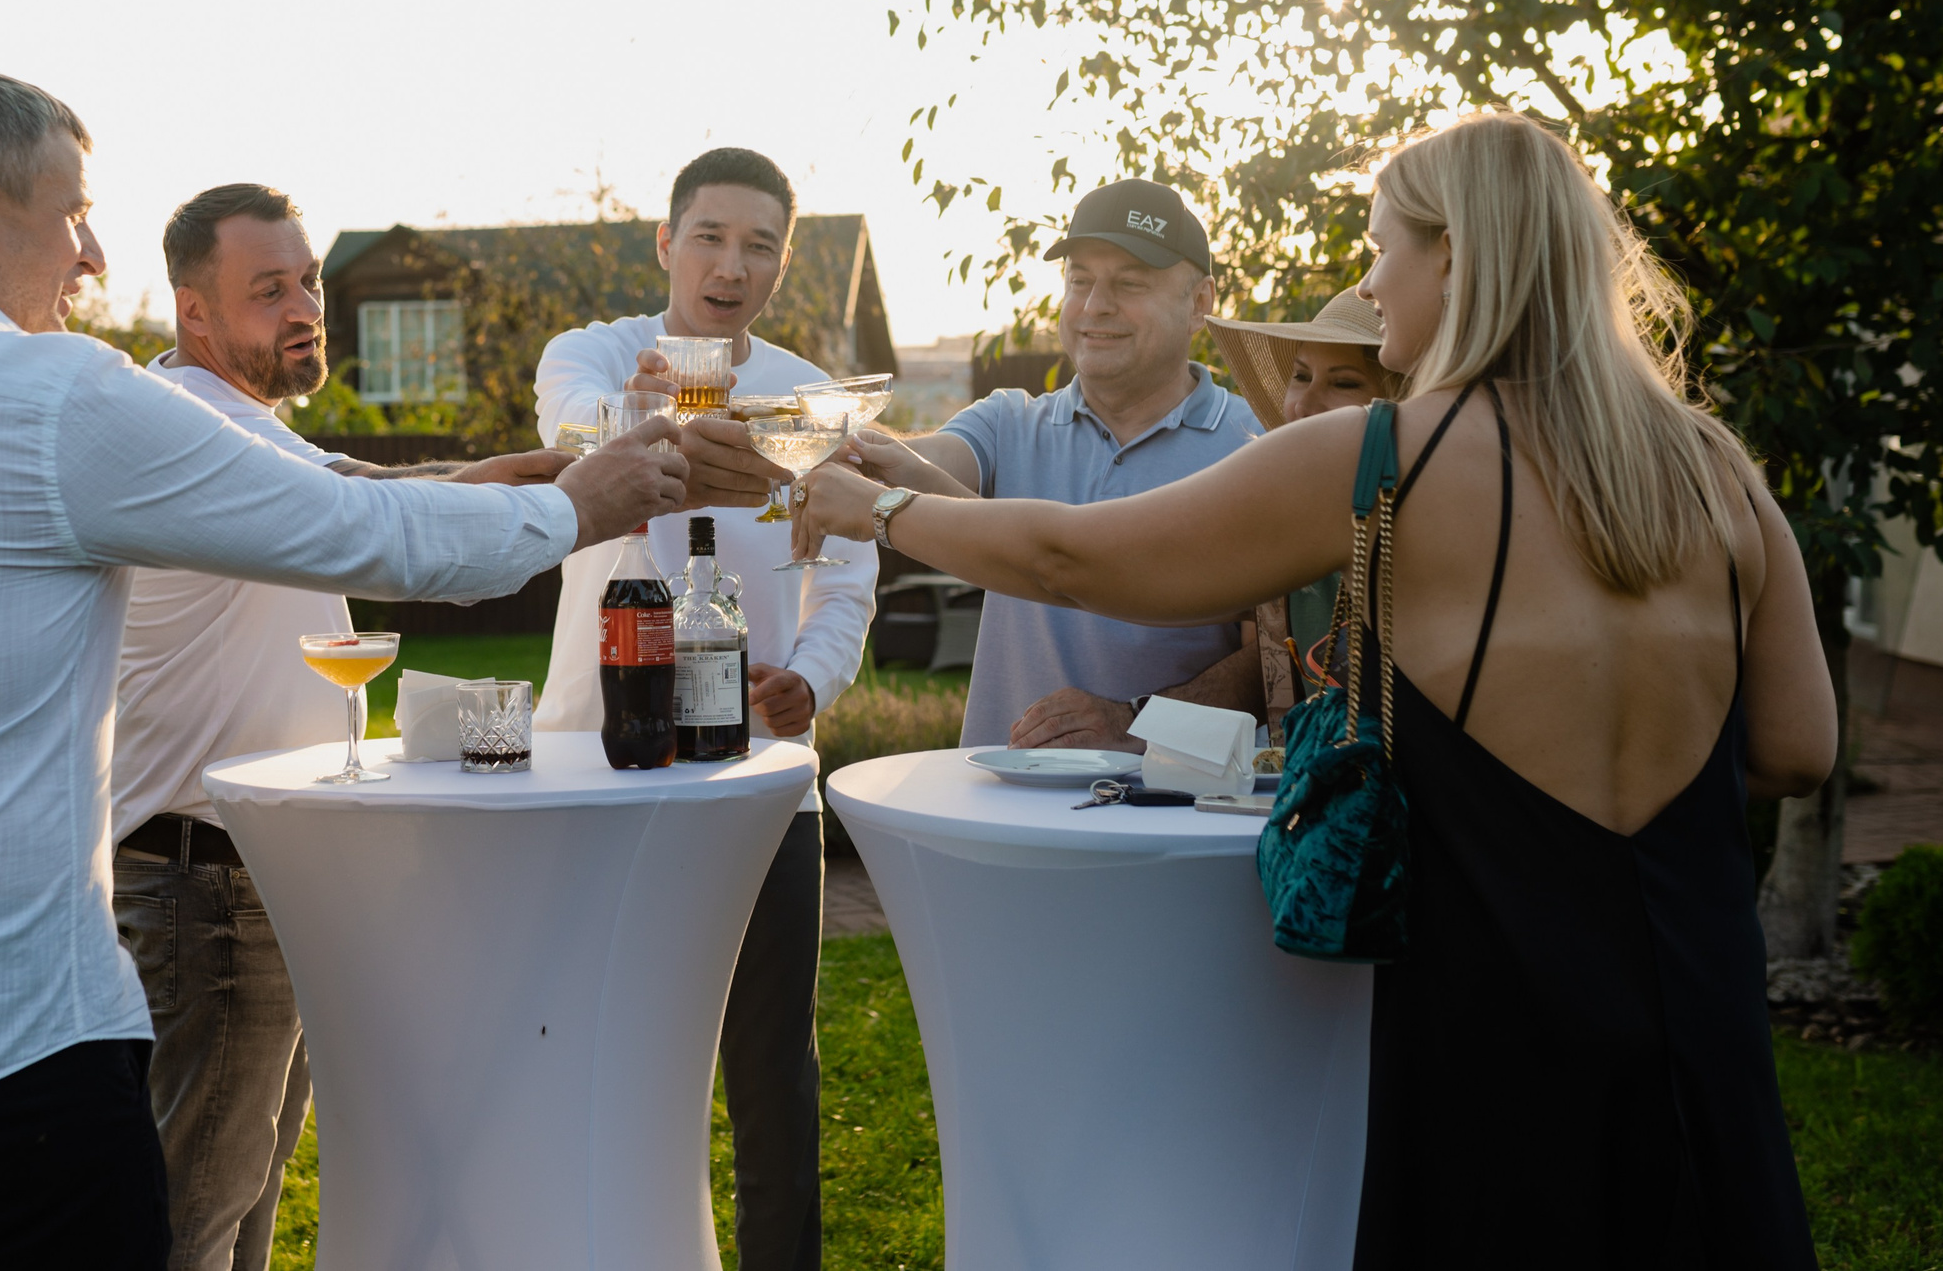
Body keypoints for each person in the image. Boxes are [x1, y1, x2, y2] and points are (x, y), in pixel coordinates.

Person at [0, 68, 688, 1271]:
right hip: (13, 1063)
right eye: (71, 212)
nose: (90, 254)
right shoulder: (59, 400)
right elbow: (366, 533)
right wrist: (581, 504)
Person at [795, 112, 1836, 1267]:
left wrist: (885, 513)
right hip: (1701, 1009)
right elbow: (1796, 745)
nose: (1367, 279)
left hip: (1497, 1021)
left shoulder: (1384, 455)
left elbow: (1078, 559)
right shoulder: (1716, 469)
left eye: (1381, 245)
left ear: (1458, 257)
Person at [110, 183, 573, 1271]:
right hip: (207, 885)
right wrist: (577, 492)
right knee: (202, 1203)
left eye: (308, 278)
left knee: (250, 1184)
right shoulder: (190, 429)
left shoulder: (241, 434)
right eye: (268, 289)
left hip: (261, 867)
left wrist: (565, 476)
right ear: (194, 313)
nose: (305, 304)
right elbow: (390, 511)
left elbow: (398, 488)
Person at [531, 146, 875, 1271]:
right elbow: (580, 439)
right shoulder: (588, 360)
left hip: (759, 771)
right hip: (596, 757)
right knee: (601, 1059)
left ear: (783, 258)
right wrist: (635, 418)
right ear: (665, 243)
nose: (733, 264)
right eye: (711, 236)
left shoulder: (810, 397)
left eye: (761, 243)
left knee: (772, 1071)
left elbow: (852, 572)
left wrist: (812, 679)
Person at [840, 178, 1267, 751]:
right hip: (1002, 807)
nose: (1095, 306)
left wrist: (1132, 722)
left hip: (1171, 819)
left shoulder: (1254, 446)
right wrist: (851, 448)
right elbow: (924, 462)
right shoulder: (1008, 421)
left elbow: (1273, 661)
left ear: (1200, 305)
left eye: (1130, 282)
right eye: (1079, 281)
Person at [1204, 284, 1403, 721]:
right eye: (1300, 376)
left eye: (1344, 382)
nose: (1303, 405)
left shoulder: (1430, 537)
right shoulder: (1275, 531)